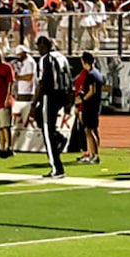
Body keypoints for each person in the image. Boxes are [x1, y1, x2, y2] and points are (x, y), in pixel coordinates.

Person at [30, 34, 68, 179]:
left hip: (49, 96)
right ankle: (58, 137)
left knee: (46, 130)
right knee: (46, 124)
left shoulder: (45, 59)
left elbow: (42, 82)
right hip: (61, 94)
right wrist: (68, 99)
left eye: (39, 47)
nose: (38, 50)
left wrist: (34, 102)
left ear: (43, 46)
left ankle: (57, 168)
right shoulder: (61, 57)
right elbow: (67, 77)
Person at [71, 51, 104, 166]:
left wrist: (82, 100)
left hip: (90, 106)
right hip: (94, 106)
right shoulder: (98, 74)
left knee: (89, 130)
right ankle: (91, 154)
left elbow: (92, 90)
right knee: (90, 130)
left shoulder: (91, 75)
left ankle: (94, 155)